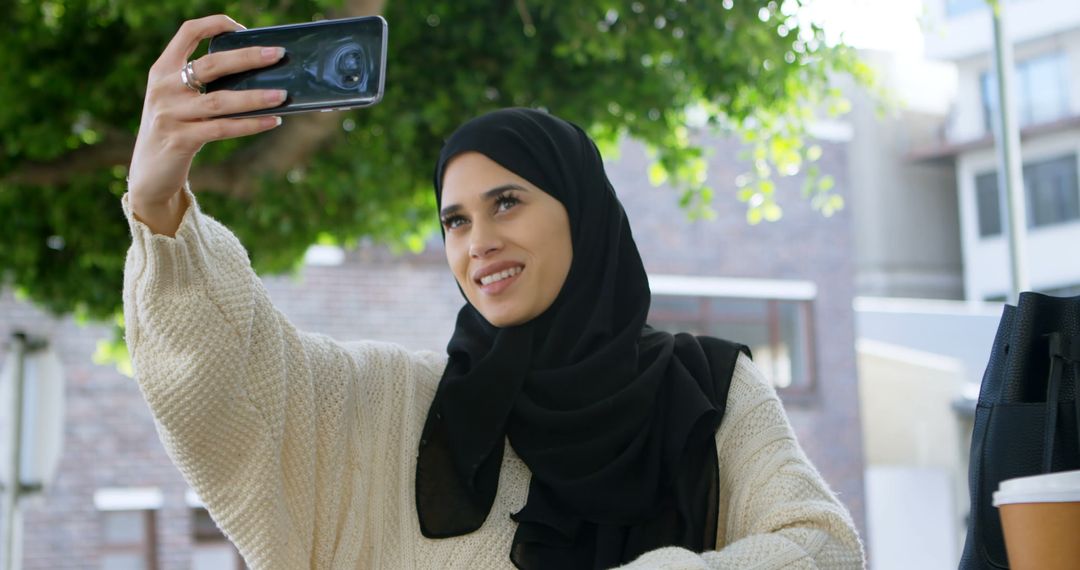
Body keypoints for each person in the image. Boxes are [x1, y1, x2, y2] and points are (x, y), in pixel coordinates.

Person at [124, 14, 865, 570]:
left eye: (507, 203)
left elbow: (823, 549)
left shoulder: (706, 387)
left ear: (582, 214)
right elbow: (237, 385)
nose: (477, 242)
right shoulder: (399, 404)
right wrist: (158, 206)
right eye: (455, 220)